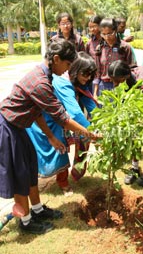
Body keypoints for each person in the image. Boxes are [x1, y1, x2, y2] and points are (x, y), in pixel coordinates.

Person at [0, 38, 97, 234]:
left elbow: (36, 110)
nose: (68, 70)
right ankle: (26, 222)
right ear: (56, 58)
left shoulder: (46, 75)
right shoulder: (40, 82)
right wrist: (89, 134)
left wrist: (51, 137)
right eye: (68, 65)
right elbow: (62, 117)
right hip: (8, 129)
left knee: (29, 170)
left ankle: (36, 210)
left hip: (19, 127)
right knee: (20, 176)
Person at [26, 52, 97, 196]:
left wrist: (102, 122)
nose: (88, 78)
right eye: (85, 74)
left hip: (59, 118)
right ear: (75, 70)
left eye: (91, 75)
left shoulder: (81, 81)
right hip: (44, 119)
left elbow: (90, 105)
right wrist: (91, 132)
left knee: (68, 145)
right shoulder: (63, 82)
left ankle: (66, 178)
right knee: (57, 149)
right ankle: (59, 182)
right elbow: (76, 114)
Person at [108, 60, 143, 186]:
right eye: (113, 80)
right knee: (132, 135)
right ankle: (135, 168)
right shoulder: (124, 80)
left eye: (117, 80)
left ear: (126, 76)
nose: (115, 84)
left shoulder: (142, 80)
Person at [93, 17, 132, 100]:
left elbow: (132, 69)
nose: (107, 37)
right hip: (104, 88)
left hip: (121, 87)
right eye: (103, 34)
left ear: (116, 30)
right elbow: (97, 73)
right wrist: (95, 93)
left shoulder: (125, 47)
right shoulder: (99, 48)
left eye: (110, 33)